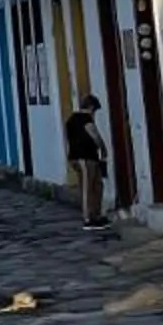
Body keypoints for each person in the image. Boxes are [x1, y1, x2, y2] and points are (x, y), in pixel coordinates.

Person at [64, 94, 110, 230]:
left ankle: (96, 214)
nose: (94, 114)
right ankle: (88, 218)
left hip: (80, 157)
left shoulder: (70, 120)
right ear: (91, 107)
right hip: (84, 157)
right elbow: (94, 134)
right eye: (94, 110)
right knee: (87, 187)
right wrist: (103, 148)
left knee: (97, 185)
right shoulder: (85, 119)